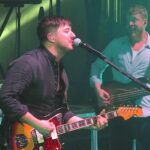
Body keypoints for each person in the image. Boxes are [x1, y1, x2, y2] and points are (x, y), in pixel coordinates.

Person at [0, 16, 108, 149]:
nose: (73, 35)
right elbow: (6, 97)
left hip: (45, 144)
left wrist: (89, 123)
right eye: (67, 30)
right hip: (21, 139)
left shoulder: (61, 70)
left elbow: (62, 113)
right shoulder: (28, 63)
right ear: (51, 37)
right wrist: (37, 124)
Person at [90, 4, 150, 150]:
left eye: (134, 20)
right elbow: (96, 67)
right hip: (118, 111)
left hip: (147, 113)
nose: (130, 24)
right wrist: (98, 89)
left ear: (145, 22)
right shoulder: (116, 45)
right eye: (127, 20)